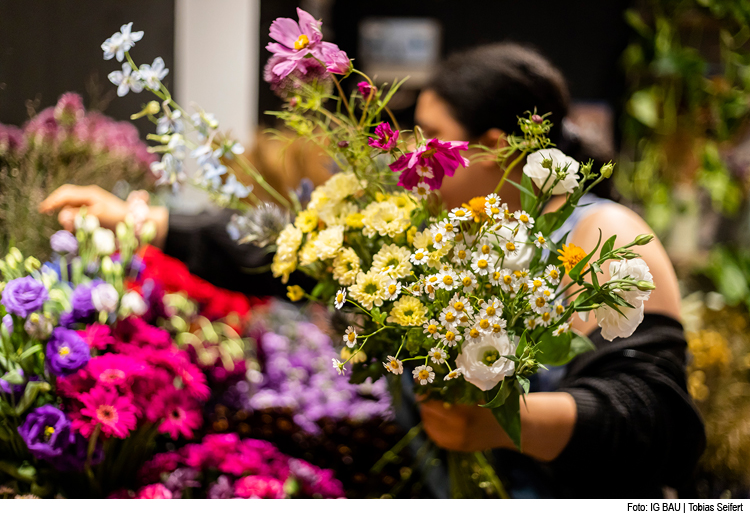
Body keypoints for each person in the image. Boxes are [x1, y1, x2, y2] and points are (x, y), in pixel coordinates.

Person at [39, 42, 705, 498]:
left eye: (428, 132)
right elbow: (289, 255)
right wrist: (146, 223)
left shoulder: (601, 234)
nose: (411, 152)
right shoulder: (441, 236)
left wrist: (506, 419)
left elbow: (661, 424)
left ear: (495, 148)